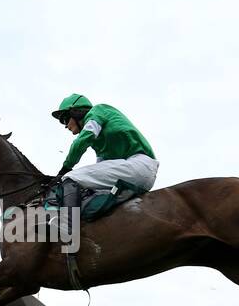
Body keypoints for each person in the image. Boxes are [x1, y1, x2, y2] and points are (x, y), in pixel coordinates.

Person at [51, 94, 159, 239]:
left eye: (65, 119)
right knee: (87, 192)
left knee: (70, 177)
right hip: (137, 173)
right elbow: (100, 170)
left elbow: (83, 140)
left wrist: (65, 169)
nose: (65, 126)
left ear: (76, 112)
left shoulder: (97, 111)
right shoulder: (100, 145)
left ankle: (67, 225)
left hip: (139, 165)